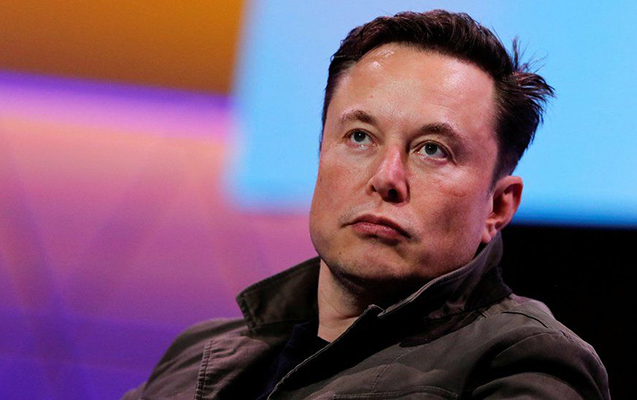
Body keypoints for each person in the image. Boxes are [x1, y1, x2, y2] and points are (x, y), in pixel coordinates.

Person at [124, 10, 610, 400]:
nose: (386, 178)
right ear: (320, 153)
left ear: (498, 208)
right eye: (359, 137)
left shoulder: (524, 362)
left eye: (433, 149)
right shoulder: (200, 352)